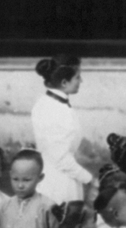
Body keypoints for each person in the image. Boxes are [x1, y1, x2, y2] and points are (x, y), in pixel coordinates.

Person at [30, 55, 93, 205]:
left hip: (57, 176)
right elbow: (60, 158)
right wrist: (89, 179)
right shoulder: (56, 110)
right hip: (58, 184)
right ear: (64, 82)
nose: (81, 81)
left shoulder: (46, 102)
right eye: (78, 77)